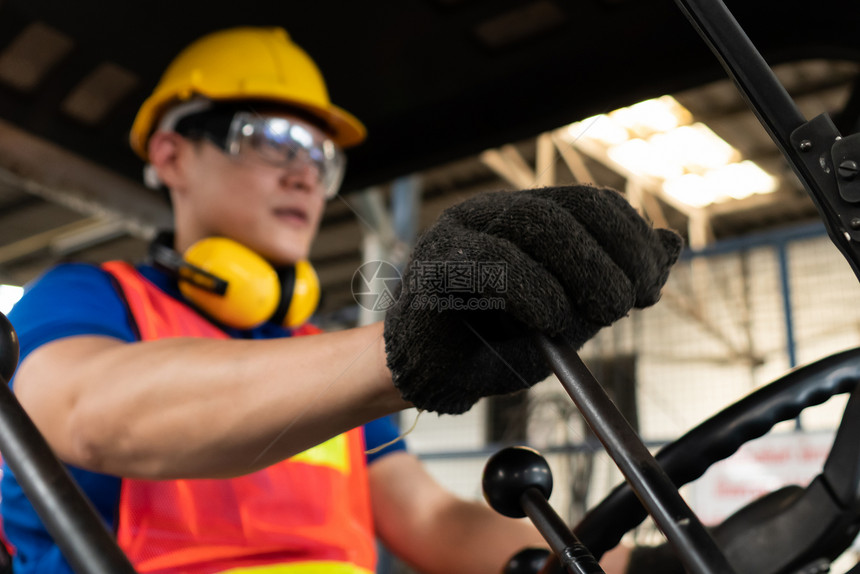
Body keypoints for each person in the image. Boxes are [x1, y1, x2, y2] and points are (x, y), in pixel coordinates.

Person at [0, 26, 679, 574]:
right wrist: (402, 350)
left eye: (322, 157)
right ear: (174, 156)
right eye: (272, 137)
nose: (305, 174)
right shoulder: (86, 299)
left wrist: (648, 567)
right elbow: (92, 411)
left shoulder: (316, 358)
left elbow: (431, 523)